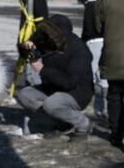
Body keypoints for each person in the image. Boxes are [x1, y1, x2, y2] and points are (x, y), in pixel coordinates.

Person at [15, 14, 94, 142]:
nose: (46, 36)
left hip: (77, 92)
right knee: (25, 95)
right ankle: (63, 123)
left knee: (51, 104)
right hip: (53, 86)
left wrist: (42, 69)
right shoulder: (48, 39)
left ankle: (83, 124)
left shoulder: (79, 50)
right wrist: (25, 46)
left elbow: (70, 82)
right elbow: (27, 51)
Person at [94, 0, 124, 149]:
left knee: (114, 96)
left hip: (113, 57)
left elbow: (98, 28)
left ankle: (115, 133)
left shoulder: (104, 0)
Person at [77, 0, 108, 119]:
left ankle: (99, 107)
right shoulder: (102, 3)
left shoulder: (91, 6)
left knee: (93, 74)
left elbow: (88, 29)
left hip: (94, 43)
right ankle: (104, 107)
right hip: (104, 42)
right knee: (103, 75)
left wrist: (82, 42)